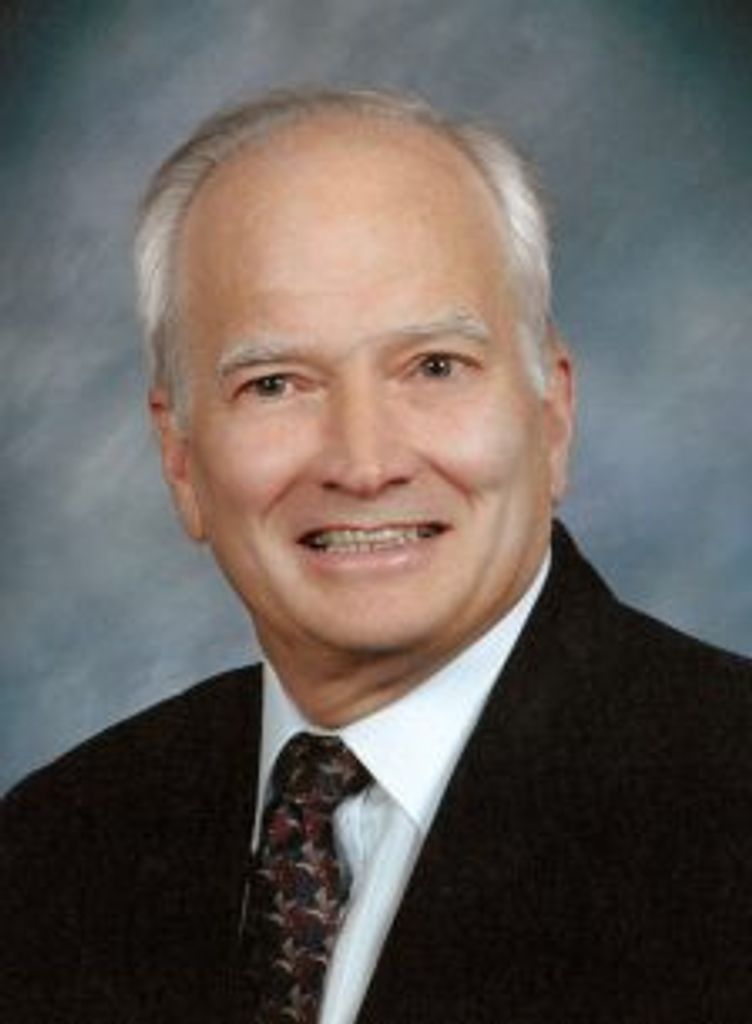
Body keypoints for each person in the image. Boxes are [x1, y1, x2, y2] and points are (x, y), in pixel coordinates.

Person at [2, 86, 751, 1024]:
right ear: (180, 457)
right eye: (275, 383)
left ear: (552, 415)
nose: (363, 463)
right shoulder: (54, 846)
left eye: (435, 367)